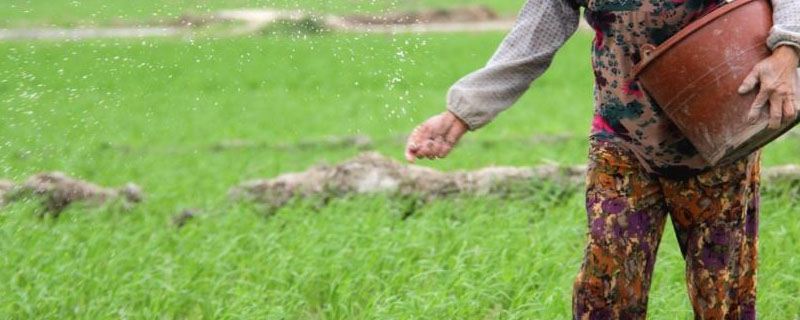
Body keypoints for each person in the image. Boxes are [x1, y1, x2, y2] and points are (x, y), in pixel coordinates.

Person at [403, 0, 800, 318]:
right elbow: (530, 40)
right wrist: (461, 113)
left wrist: (787, 50)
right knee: (607, 292)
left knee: (723, 295)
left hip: (720, 134)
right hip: (622, 140)